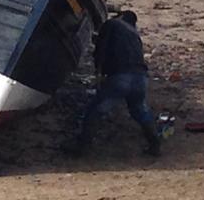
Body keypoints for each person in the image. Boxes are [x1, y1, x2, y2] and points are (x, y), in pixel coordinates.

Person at [68, 9, 162, 157]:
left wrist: (98, 72)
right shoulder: (135, 34)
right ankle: (154, 144)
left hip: (120, 76)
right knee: (140, 111)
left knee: (96, 110)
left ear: (121, 16)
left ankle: (81, 149)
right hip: (141, 78)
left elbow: (101, 48)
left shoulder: (112, 24)